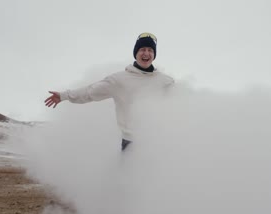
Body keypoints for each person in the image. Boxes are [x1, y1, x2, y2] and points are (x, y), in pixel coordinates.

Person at [44, 32, 174, 150]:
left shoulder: (165, 81)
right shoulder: (119, 80)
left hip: (157, 141)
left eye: (150, 50)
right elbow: (90, 92)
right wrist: (64, 96)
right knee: (130, 176)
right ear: (136, 53)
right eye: (142, 49)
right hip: (131, 143)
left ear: (154, 55)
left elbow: (179, 108)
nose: (146, 53)